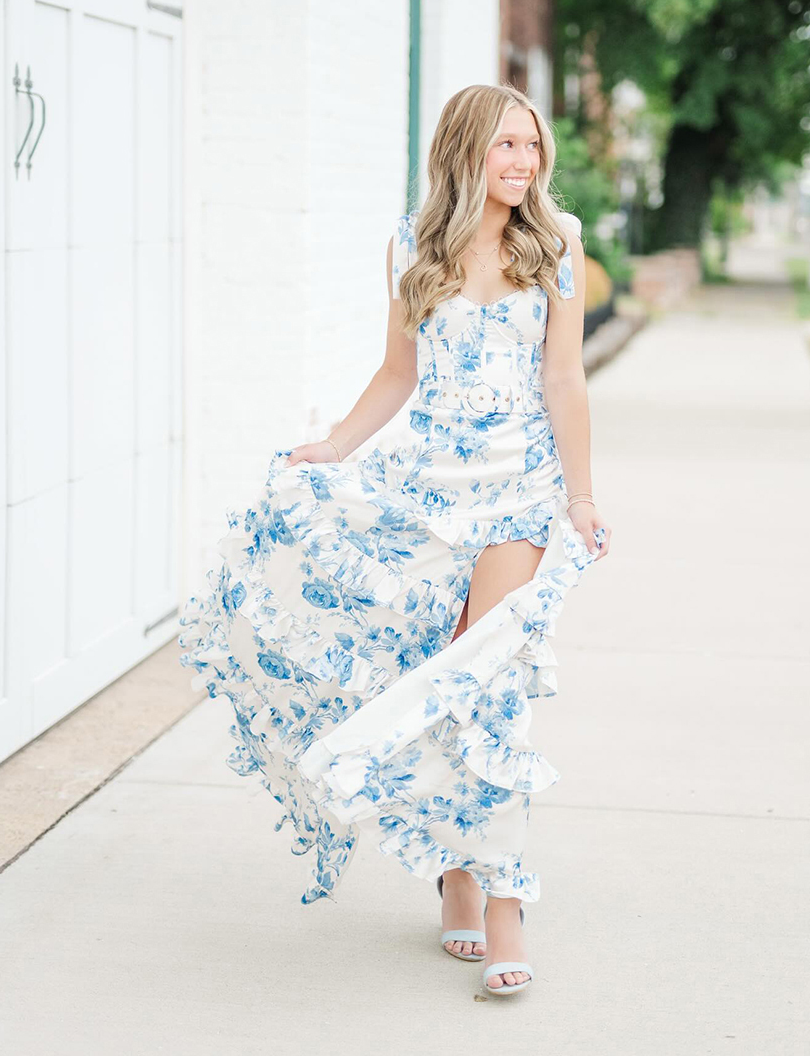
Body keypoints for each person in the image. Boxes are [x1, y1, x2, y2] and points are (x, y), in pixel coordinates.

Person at [178, 82, 611, 997]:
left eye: (533, 146)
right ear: (463, 152)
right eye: (505, 147)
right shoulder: (411, 248)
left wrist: (578, 496)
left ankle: (502, 902)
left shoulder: (557, 242)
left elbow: (565, 379)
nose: (524, 164)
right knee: (424, 680)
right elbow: (397, 370)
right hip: (421, 496)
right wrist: (333, 447)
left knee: (487, 689)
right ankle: (453, 870)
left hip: (519, 498)